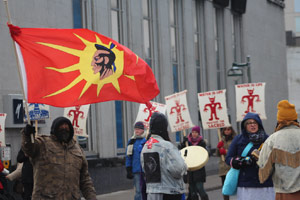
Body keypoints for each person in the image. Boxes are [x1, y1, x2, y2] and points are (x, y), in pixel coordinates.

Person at [22, 116, 96, 200]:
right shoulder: (43, 144)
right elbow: (28, 148)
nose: (64, 127)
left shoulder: (78, 150)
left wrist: (92, 197)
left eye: (66, 125)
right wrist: (27, 135)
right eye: (61, 125)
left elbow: (85, 180)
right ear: (54, 129)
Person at [225, 112, 274, 200]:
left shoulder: (268, 139)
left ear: (259, 124)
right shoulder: (238, 139)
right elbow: (228, 158)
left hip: (265, 183)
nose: (252, 125)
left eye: (254, 122)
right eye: (249, 123)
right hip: (246, 184)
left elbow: (275, 159)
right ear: (244, 126)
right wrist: (238, 161)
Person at [257, 100, 300, 200]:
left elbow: (263, 173)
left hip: (283, 193)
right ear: (295, 118)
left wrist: (258, 156)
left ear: (279, 120)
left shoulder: (272, 139)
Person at [140, 112, 187, 200]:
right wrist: (185, 166)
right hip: (169, 191)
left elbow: (145, 169)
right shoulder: (167, 146)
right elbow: (178, 169)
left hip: (152, 192)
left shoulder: (145, 147)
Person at [181, 126, 209, 200]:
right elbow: (183, 154)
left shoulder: (201, 143)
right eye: (193, 132)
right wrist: (183, 144)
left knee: (200, 187)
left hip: (199, 168)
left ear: (198, 133)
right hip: (190, 168)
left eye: (196, 132)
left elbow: (205, 154)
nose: (194, 134)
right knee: (192, 190)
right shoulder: (188, 142)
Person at [125, 121, 147, 200]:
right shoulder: (131, 141)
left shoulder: (146, 140)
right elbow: (128, 156)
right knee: (138, 191)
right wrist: (128, 168)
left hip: (146, 171)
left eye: (138, 129)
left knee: (146, 190)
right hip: (136, 170)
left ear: (142, 130)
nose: (136, 131)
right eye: (135, 129)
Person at [216, 127, 237, 200]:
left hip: (233, 166)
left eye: (228, 129)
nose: (227, 131)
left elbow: (236, 151)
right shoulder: (222, 140)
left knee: (236, 185)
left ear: (231, 130)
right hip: (223, 167)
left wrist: (226, 151)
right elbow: (217, 154)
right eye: (225, 130)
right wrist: (218, 148)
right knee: (225, 187)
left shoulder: (235, 139)